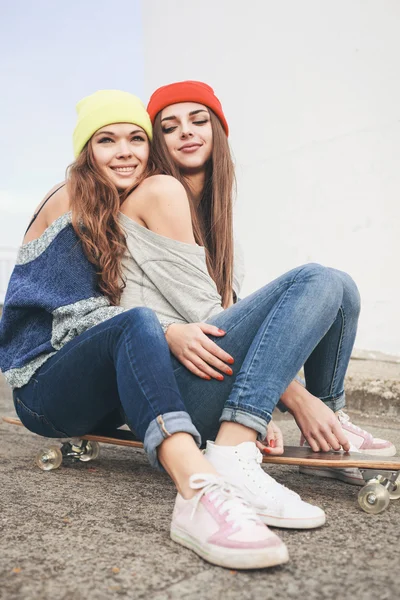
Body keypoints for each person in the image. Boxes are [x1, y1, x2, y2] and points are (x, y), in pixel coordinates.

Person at [0, 90, 291, 570]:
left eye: (136, 138)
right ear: (86, 152)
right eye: (107, 140)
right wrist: (170, 331)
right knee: (139, 324)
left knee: (149, 327)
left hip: (100, 394)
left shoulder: (119, 209)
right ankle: (198, 491)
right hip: (42, 388)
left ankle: (233, 444)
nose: (125, 151)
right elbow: (78, 317)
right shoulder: (72, 196)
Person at [118, 80, 396, 507]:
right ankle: (261, 434)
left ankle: (328, 424)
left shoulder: (219, 228)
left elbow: (232, 317)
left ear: (218, 131)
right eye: (170, 127)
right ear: (158, 144)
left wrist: (262, 396)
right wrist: (293, 399)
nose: (187, 132)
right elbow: (209, 314)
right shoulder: (160, 191)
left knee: (341, 287)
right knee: (316, 279)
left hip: (206, 369)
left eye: (198, 120)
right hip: (165, 389)